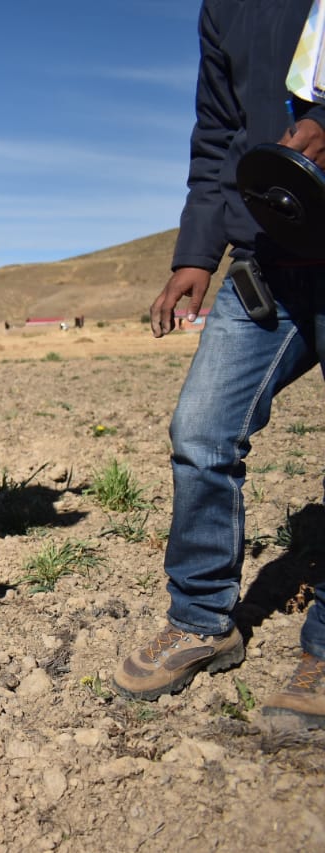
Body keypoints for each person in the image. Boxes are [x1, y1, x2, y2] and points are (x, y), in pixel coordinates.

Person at [112, 0, 325, 730]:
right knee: (201, 430)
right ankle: (203, 618)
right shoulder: (227, 7)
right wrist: (197, 254)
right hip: (270, 256)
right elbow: (218, 139)